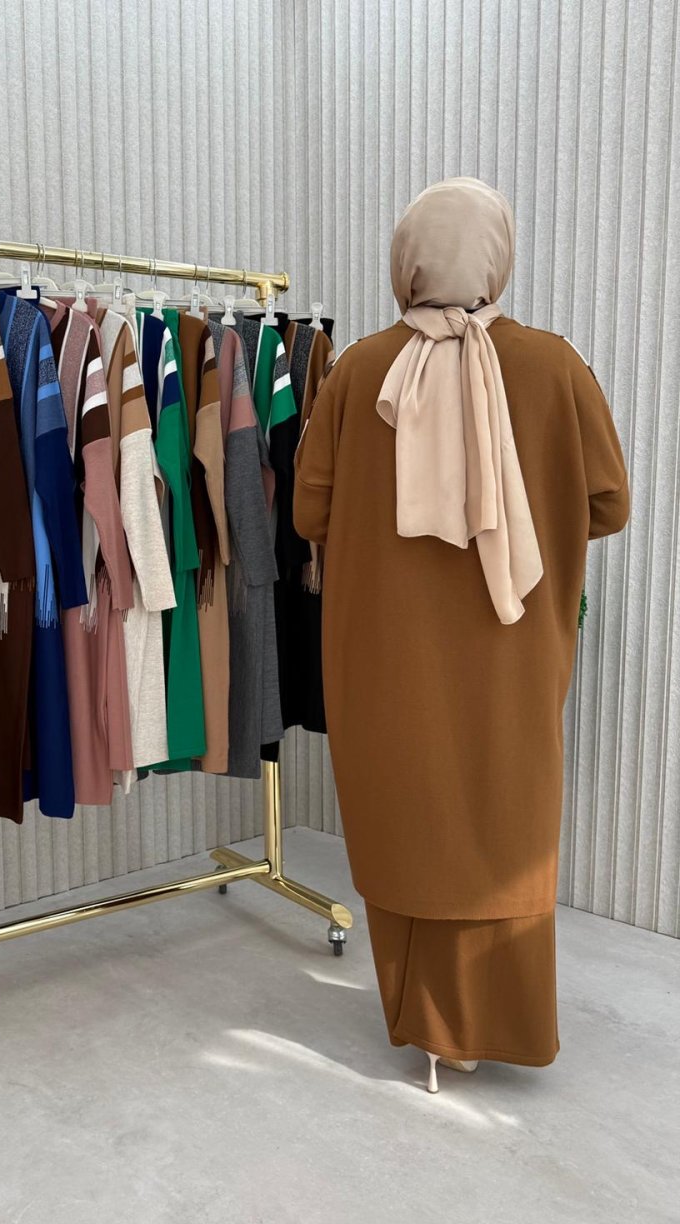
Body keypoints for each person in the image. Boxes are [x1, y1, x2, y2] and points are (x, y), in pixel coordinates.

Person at [293, 177, 629, 1092]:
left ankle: (430, 1024)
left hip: (384, 657)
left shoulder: (357, 372)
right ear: (496, 258)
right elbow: (610, 503)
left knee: (409, 813)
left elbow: (309, 512)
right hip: (512, 651)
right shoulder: (556, 366)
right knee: (502, 817)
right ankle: (498, 1019)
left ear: (406, 263)